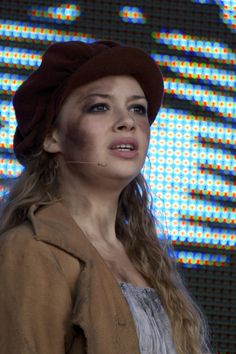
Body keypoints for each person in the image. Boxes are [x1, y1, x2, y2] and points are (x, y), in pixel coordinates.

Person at [0, 40, 210, 354]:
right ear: (51, 136)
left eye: (137, 108)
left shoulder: (147, 259)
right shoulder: (30, 250)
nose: (129, 121)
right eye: (100, 106)